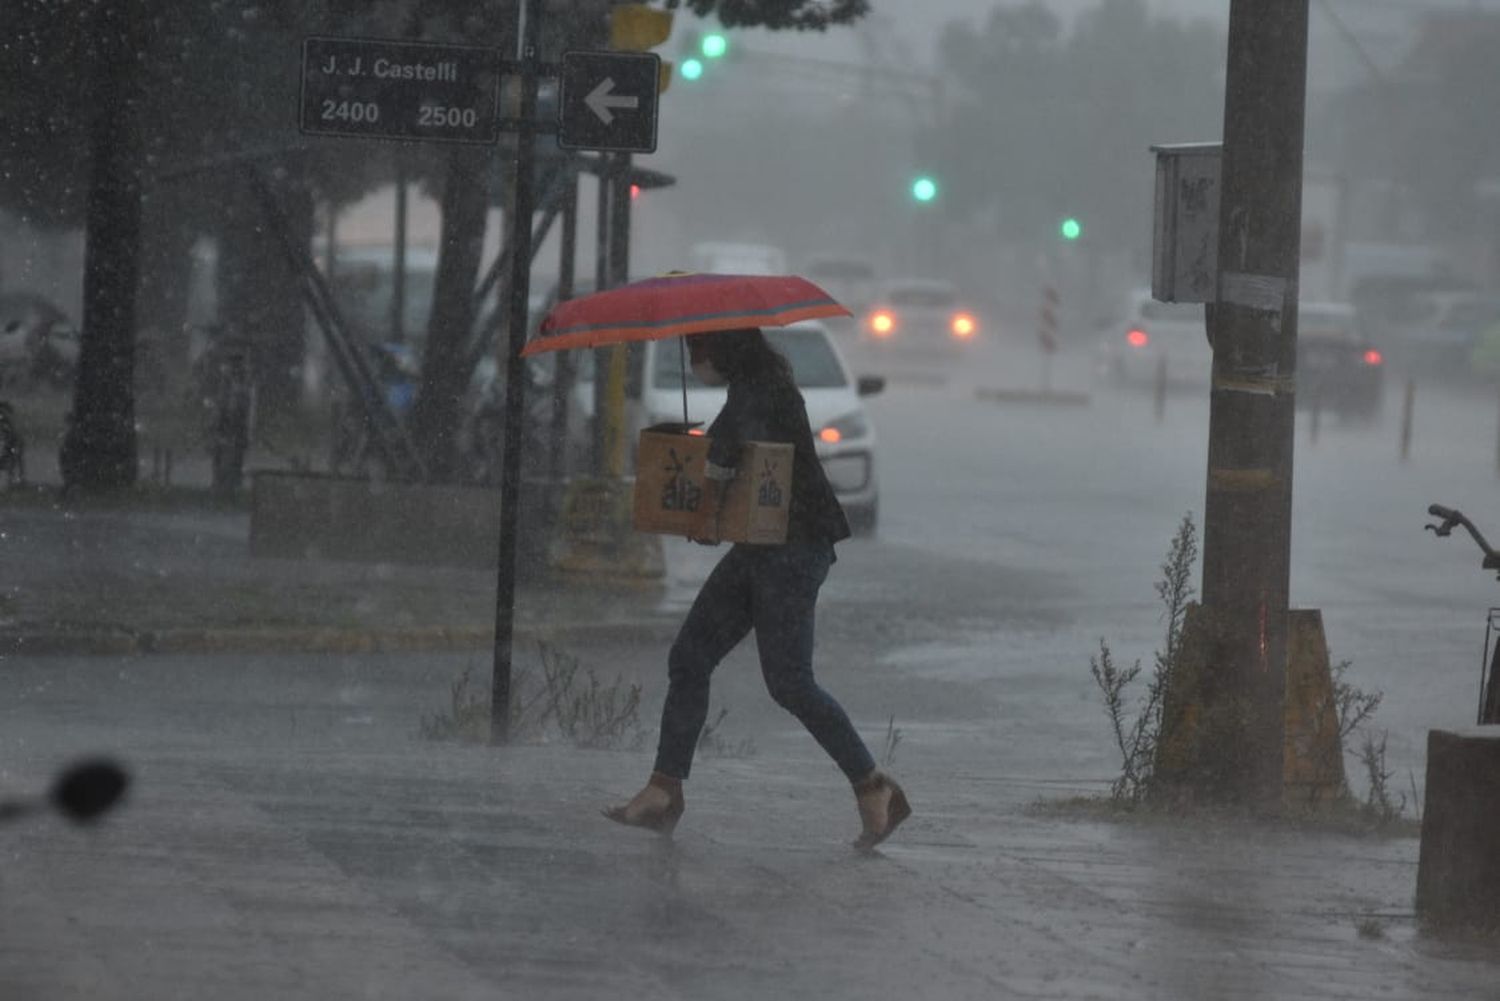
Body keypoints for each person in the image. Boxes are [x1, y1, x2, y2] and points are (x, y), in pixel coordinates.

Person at [603, 327, 911, 850]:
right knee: (691, 657)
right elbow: (724, 447)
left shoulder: (764, 389)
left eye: (697, 350)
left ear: (724, 349)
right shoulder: (750, 386)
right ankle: (664, 788)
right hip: (757, 547)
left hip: (795, 550)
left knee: (789, 681)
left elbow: (724, 455)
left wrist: (704, 506)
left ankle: (873, 786)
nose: (695, 361)